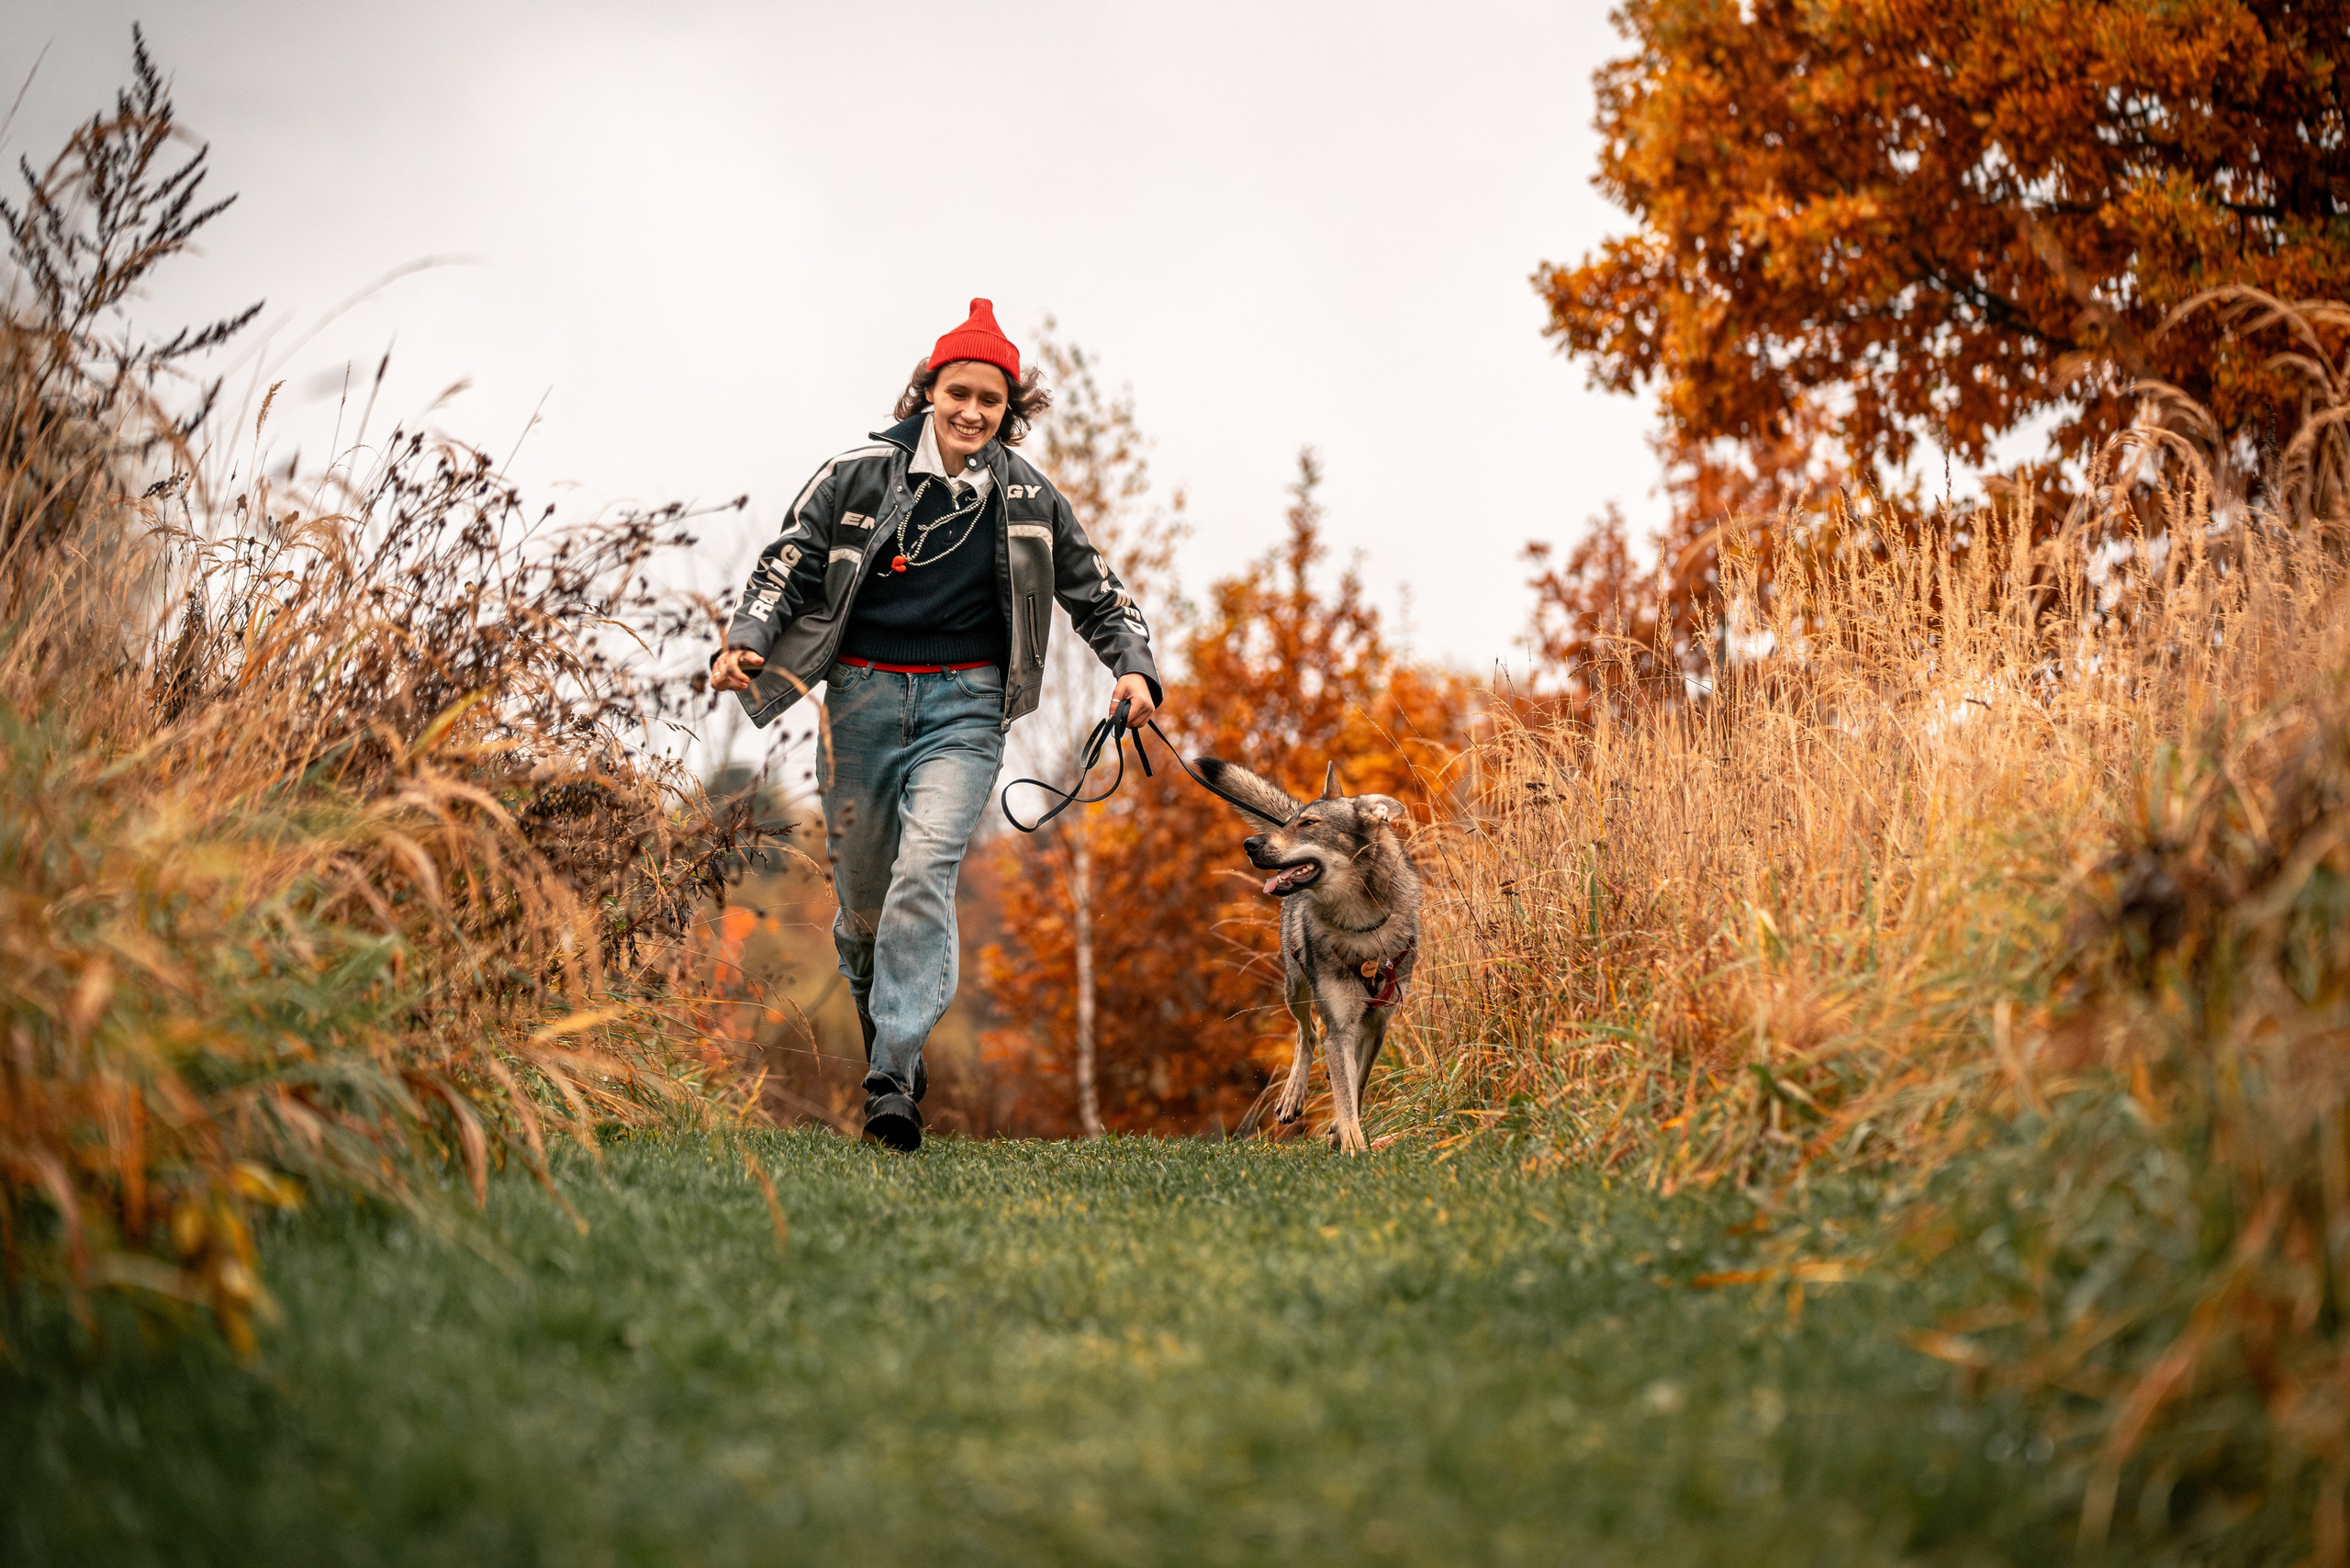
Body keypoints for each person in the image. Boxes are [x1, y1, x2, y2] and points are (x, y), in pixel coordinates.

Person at [711, 299, 1164, 1152]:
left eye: (990, 402)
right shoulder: (856, 473)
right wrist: (747, 643)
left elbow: (1097, 590)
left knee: (927, 870)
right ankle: (893, 1035)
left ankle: (891, 1079)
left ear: (1008, 411)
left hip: (965, 703)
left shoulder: (1029, 497)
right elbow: (788, 560)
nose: (971, 413)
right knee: (864, 906)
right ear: (928, 392)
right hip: (860, 701)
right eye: (957, 393)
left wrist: (1133, 666)